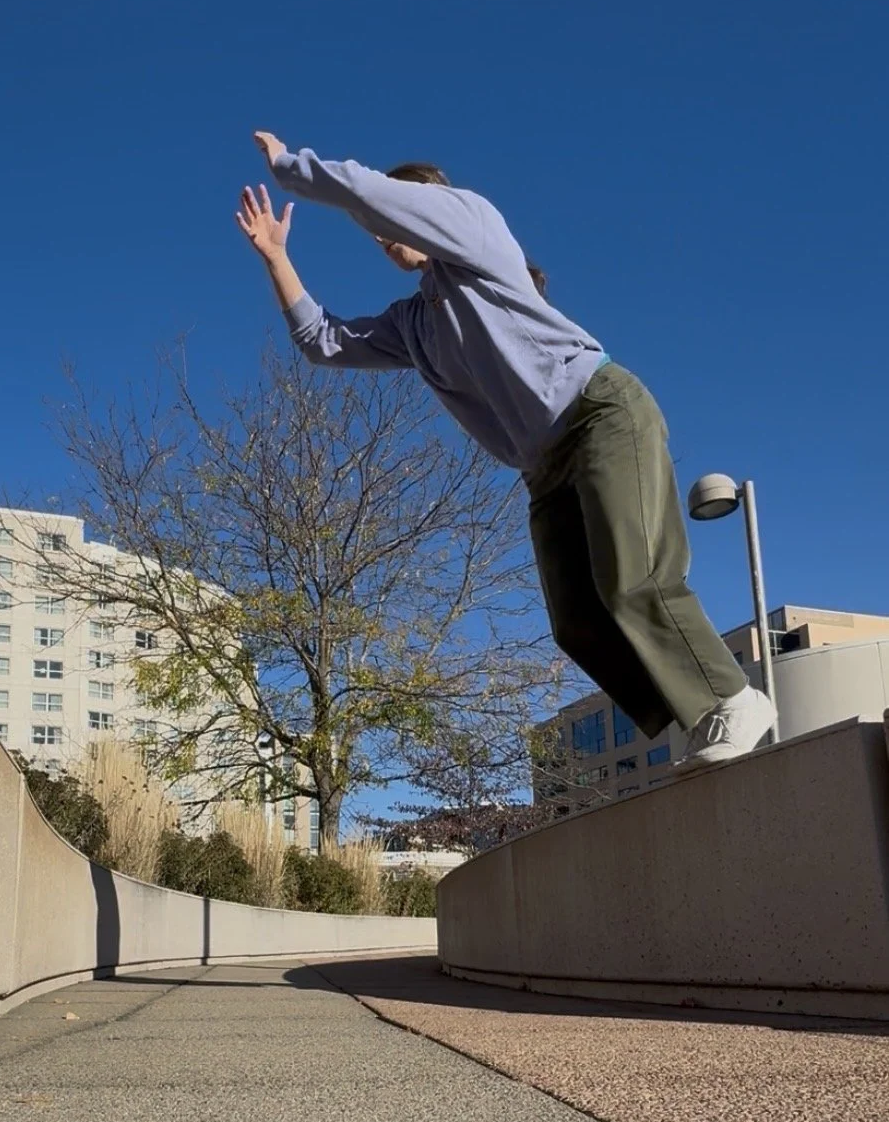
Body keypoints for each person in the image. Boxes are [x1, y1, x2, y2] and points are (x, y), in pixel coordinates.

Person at [235, 131, 773, 770]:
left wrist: (290, 168)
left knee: (634, 577)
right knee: (576, 621)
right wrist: (276, 257)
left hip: (599, 414)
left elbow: (369, 193)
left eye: (393, 219)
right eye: (377, 232)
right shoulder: (413, 324)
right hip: (543, 469)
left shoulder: (474, 227)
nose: (382, 235)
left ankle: (732, 697)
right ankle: (697, 713)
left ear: (428, 208)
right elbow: (324, 342)